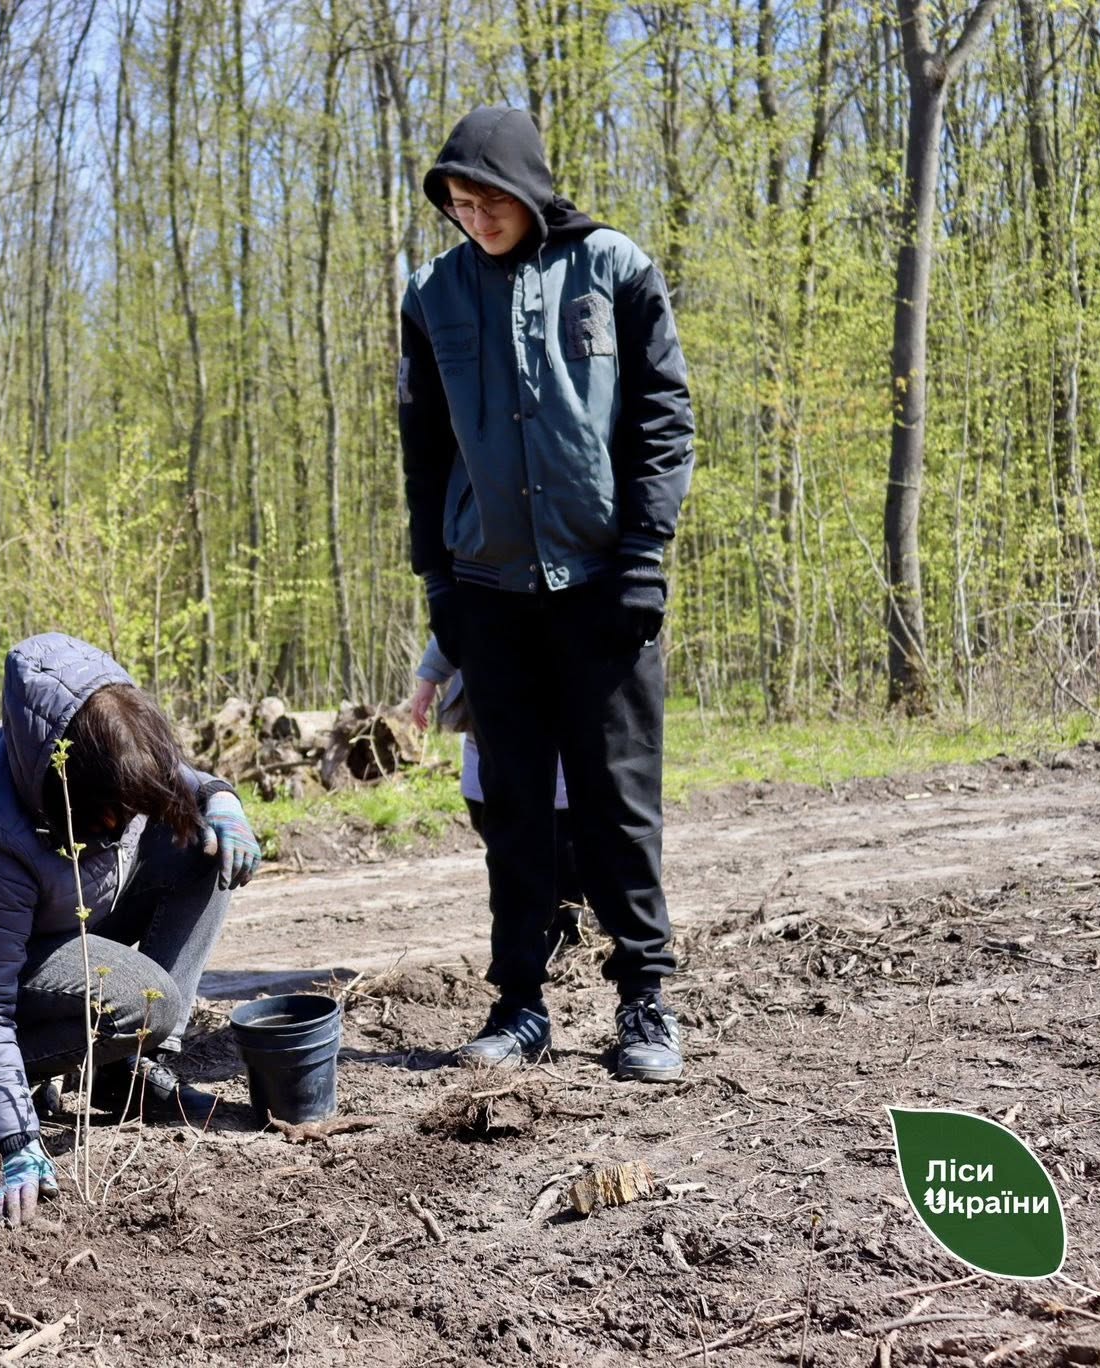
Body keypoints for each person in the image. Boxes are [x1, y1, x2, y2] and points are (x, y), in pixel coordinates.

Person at [397, 107, 695, 1082]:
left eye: (486, 197)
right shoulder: (432, 296)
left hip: (601, 584)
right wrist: (437, 580)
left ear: (527, 186)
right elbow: (423, 448)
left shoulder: (614, 268)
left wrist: (645, 552)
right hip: (490, 590)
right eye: (456, 200)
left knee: (617, 803)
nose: (471, 215)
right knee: (514, 808)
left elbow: (661, 418)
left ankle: (642, 1000)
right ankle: (518, 1004)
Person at [0, 633, 261, 1227]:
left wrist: (218, 797)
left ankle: (120, 1073)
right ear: (74, 792)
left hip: (52, 914)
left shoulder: (99, 731)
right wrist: (13, 1140)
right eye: (118, 813)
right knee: (145, 1000)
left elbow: (167, 780)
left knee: (201, 846)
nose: (130, 819)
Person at [407, 635, 584, 961]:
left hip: (552, 702)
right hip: (485, 701)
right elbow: (454, 614)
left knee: (563, 833)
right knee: (491, 820)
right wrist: (430, 678)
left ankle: (569, 927)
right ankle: (522, 933)